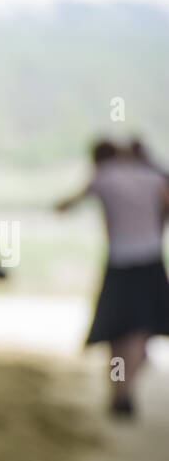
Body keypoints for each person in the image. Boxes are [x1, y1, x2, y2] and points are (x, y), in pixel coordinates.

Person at [57, 139, 169, 417]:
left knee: (118, 332)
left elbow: (65, 206)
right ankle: (126, 390)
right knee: (141, 331)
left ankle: (119, 391)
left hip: (119, 262)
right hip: (149, 261)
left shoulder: (104, 177)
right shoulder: (153, 178)